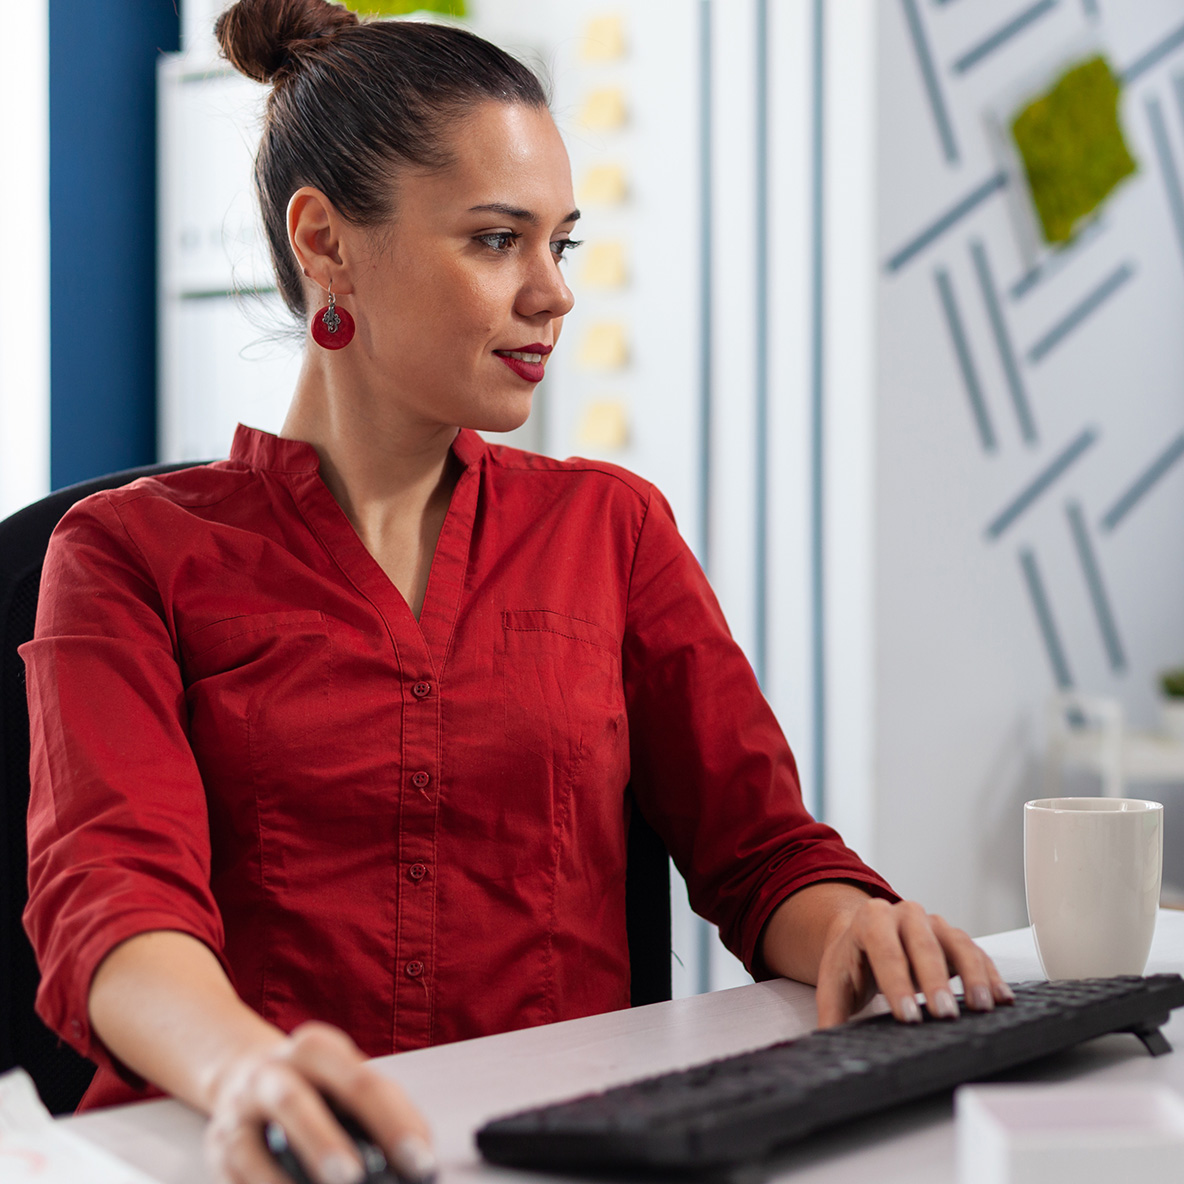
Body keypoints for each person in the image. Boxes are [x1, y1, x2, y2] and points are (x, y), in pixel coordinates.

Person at [20, 3, 1013, 1183]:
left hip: (566, 1152)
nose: (553, 293)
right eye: (498, 240)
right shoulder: (124, 554)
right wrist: (244, 1067)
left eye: (562, 243)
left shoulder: (611, 527)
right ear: (325, 241)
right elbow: (114, 903)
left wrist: (851, 917)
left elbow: (762, 854)